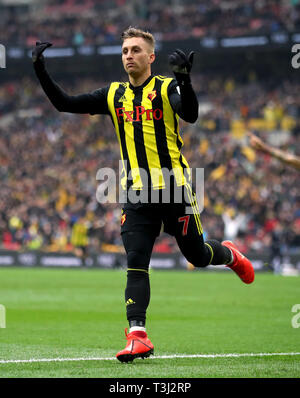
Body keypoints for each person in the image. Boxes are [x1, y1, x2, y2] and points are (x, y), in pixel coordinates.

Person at [32, 27, 255, 363]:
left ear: (150, 57)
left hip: (175, 188)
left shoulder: (166, 87)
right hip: (137, 194)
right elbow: (65, 104)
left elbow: (190, 114)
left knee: (196, 255)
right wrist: (40, 69)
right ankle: (138, 335)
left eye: (136, 50)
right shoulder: (113, 94)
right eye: (124, 51)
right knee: (136, 261)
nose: (129, 56)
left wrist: (185, 80)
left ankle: (230, 256)